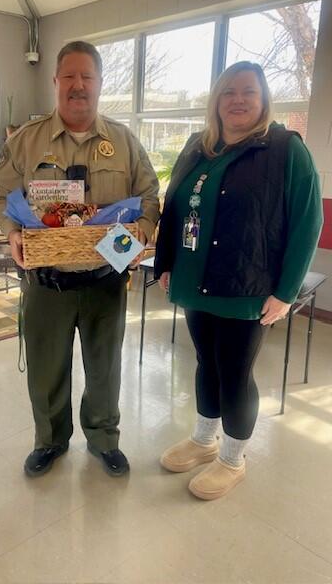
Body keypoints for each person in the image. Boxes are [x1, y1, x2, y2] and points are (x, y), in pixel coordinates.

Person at [154, 61, 323, 500]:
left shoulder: (286, 149)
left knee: (235, 372)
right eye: (229, 92)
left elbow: (308, 222)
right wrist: (166, 262)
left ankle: (233, 459)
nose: (238, 100)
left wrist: (286, 292)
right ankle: (203, 439)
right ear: (216, 100)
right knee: (205, 363)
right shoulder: (198, 146)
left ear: (263, 99)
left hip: (246, 286)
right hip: (194, 280)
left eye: (248, 91)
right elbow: (174, 207)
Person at [0, 40, 159, 477]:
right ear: (56, 82)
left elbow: (148, 196)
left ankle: (104, 439)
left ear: (100, 83)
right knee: (46, 372)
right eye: (69, 76)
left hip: (106, 280)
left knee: (104, 369)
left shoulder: (123, 141)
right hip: (47, 283)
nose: (78, 85)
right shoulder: (26, 142)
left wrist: (141, 230)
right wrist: (11, 233)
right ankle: (50, 441)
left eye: (87, 76)